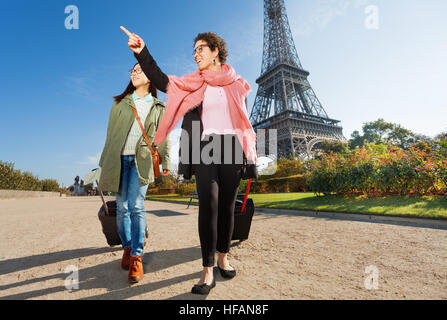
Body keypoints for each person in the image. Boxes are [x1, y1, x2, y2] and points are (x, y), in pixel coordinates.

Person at [121, 26, 258, 294]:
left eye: (201, 49)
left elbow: (244, 122)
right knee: (208, 205)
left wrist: (247, 154)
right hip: (206, 147)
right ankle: (207, 270)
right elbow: (161, 80)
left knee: (228, 207)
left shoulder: (237, 84)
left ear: (216, 51)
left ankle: (223, 258)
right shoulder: (194, 83)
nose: (196, 54)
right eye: (193, 50)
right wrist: (142, 52)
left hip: (232, 148)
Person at [98, 62, 172, 283]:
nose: (134, 73)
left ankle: (137, 256)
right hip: (119, 160)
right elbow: (110, 134)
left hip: (142, 161)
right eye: (132, 71)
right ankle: (127, 248)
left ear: (150, 77)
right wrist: (104, 160)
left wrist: (166, 159)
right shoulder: (119, 103)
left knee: (136, 207)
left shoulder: (159, 106)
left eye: (139, 70)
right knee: (121, 208)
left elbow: (164, 136)